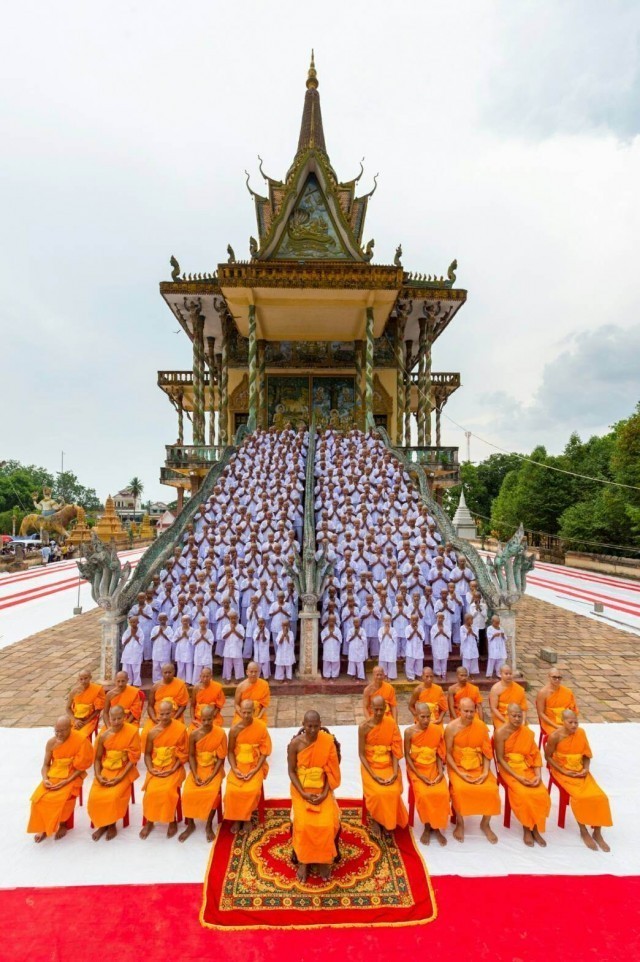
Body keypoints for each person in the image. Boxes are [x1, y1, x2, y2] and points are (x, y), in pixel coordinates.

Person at [545, 709, 612, 851]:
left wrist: (586, 769)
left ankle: (597, 832)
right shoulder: (555, 736)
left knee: (600, 796)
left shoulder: (581, 733)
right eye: (571, 722)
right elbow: (548, 757)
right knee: (580, 798)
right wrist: (563, 771)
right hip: (563, 771)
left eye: (576, 722)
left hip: (580, 771)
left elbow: (586, 755)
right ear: (563, 722)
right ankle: (583, 831)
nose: (574, 725)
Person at [288, 710, 341, 882]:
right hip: (300, 789)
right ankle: (304, 861)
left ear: (320, 725)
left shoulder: (327, 742)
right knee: (303, 825)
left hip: (322, 789)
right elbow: (291, 771)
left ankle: (324, 861)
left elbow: (330, 772)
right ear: (303, 725)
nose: (312, 730)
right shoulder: (295, 744)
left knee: (328, 824)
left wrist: (325, 793)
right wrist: (303, 793)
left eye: (316, 726)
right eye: (309, 726)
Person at [27, 716, 93, 842]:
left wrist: (67, 781)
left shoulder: (80, 740)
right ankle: (43, 827)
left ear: (70, 728)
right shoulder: (52, 742)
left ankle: (63, 824)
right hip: (53, 774)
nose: (59, 734)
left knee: (62, 798)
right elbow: (46, 764)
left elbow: (82, 767)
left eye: (62, 731)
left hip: (73, 774)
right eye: (56, 731)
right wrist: (45, 778)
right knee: (38, 800)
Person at [445, 697, 501, 843]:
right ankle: (460, 822)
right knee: (460, 789)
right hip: (458, 767)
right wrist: (460, 773)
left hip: (478, 766)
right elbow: (447, 754)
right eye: (466, 711)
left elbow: (487, 752)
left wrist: (484, 772)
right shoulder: (451, 727)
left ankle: (485, 823)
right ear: (459, 711)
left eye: (472, 711)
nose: (469, 714)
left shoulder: (481, 726)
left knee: (491, 789)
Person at [494, 703, 551, 847]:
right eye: (514, 715)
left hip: (526, 767)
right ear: (507, 715)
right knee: (524, 794)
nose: (517, 718)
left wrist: (538, 775)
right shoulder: (501, 733)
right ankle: (527, 828)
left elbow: (535, 755)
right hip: (510, 770)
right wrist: (518, 777)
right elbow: (500, 759)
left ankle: (536, 828)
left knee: (541, 793)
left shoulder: (526, 732)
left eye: (520, 716)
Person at [88, 705, 141, 841]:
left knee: (113, 796)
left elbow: (133, 759)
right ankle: (102, 824)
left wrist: (120, 777)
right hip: (107, 770)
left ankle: (111, 824)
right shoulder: (104, 735)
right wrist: (98, 776)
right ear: (109, 718)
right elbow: (98, 758)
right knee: (95, 796)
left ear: (124, 718)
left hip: (124, 770)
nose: (116, 722)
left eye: (119, 718)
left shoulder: (132, 732)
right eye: (113, 719)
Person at [358, 695, 408, 839]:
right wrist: (373, 775)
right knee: (377, 793)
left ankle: (388, 822)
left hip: (388, 765)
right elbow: (361, 754)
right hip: (370, 766)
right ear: (371, 709)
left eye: (381, 709)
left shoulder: (391, 723)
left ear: (385, 708)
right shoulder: (364, 727)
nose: (379, 713)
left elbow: (395, 751)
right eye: (376, 709)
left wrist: (394, 772)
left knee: (392, 791)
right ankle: (376, 819)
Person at [139, 699, 188, 839]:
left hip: (174, 767)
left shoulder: (180, 729)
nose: (165, 717)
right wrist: (151, 769)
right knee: (151, 792)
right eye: (162, 714)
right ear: (157, 714)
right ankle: (149, 821)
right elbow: (147, 754)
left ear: (173, 713)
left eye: (168, 713)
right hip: (156, 767)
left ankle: (171, 820)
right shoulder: (153, 732)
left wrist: (173, 769)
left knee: (167, 791)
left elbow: (183, 754)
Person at [179, 706, 227, 843]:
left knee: (211, 793)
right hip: (198, 769)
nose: (206, 722)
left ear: (214, 718)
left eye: (209, 719)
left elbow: (221, 758)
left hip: (214, 769)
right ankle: (191, 824)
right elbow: (192, 756)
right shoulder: (194, 734)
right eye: (204, 719)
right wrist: (194, 774)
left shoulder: (220, 733)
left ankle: (208, 825)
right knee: (188, 792)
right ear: (200, 719)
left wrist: (212, 776)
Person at [224, 699, 272, 835]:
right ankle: (237, 818)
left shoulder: (261, 726)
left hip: (255, 764)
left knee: (251, 790)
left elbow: (265, 751)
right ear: (239, 712)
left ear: (254, 712)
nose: (246, 715)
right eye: (243, 712)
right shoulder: (234, 730)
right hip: (239, 765)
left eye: (249, 712)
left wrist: (254, 770)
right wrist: (235, 769)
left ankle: (247, 818)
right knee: (232, 790)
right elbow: (230, 752)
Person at [404, 703, 449, 846]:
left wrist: (441, 772)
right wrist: (418, 775)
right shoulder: (409, 732)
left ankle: (436, 828)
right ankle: (427, 827)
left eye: (428, 717)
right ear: (416, 716)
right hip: (416, 769)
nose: (425, 720)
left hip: (434, 768)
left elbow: (438, 754)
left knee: (442, 793)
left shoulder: (436, 730)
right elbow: (407, 756)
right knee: (424, 794)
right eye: (422, 717)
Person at [142, 664, 189, 743]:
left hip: (174, 715)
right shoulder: (156, 687)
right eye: (165, 672)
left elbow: (183, 705)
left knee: (180, 734)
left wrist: (174, 718)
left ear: (174, 672)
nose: (167, 675)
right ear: (162, 673)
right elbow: (150, 706)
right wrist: (154, 718)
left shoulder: (180, 685)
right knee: (145, 734)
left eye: (170, 672)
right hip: (158, 716)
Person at [536, 668, 579, 737]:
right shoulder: (543, 693)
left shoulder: (567, 692)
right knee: (558, 736)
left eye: (559, 677)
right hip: (549, 722)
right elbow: (541, 713)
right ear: (549, 677)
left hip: (566, 720)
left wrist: (569, 723)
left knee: (578, 733)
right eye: (554, 677)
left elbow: (573, 710)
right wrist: (556, 726)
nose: (557, 680)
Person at [66, 670, 106, 739]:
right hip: (76, 718)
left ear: (90, 677)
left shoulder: (97, 689)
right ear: (78, 680)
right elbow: (68, 708)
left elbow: (98, 709)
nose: (83, 681)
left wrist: (87, 721)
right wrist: (75, 720)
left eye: (86, 678)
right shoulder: (74, 691)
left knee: (83, 735)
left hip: (91, 719)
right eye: (81, 679)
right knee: (68, 734)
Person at [489, 664, 528, 729]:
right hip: (501, 717)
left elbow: (524, 709)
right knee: (504, 732)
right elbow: (494, 708)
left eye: (510, 674)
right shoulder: (495, 689)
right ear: (500, 674)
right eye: (506, 674)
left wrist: (523, 721)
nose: (509, 676)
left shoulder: (519, 689)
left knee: (526, 732)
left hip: (517, 717)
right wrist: (505, 721)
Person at [459, 612, 480, 677]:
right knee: (466, 660)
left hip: (473, 646)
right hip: (466, 646)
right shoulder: (462, 628)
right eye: (471, 619)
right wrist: (468, 632)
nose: (472, 621)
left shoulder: (475, 627)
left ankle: (472, 673)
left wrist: (472, 632)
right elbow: (462, 638)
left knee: (474, 660)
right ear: (467, 620)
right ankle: (466, 674)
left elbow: (477, 637)